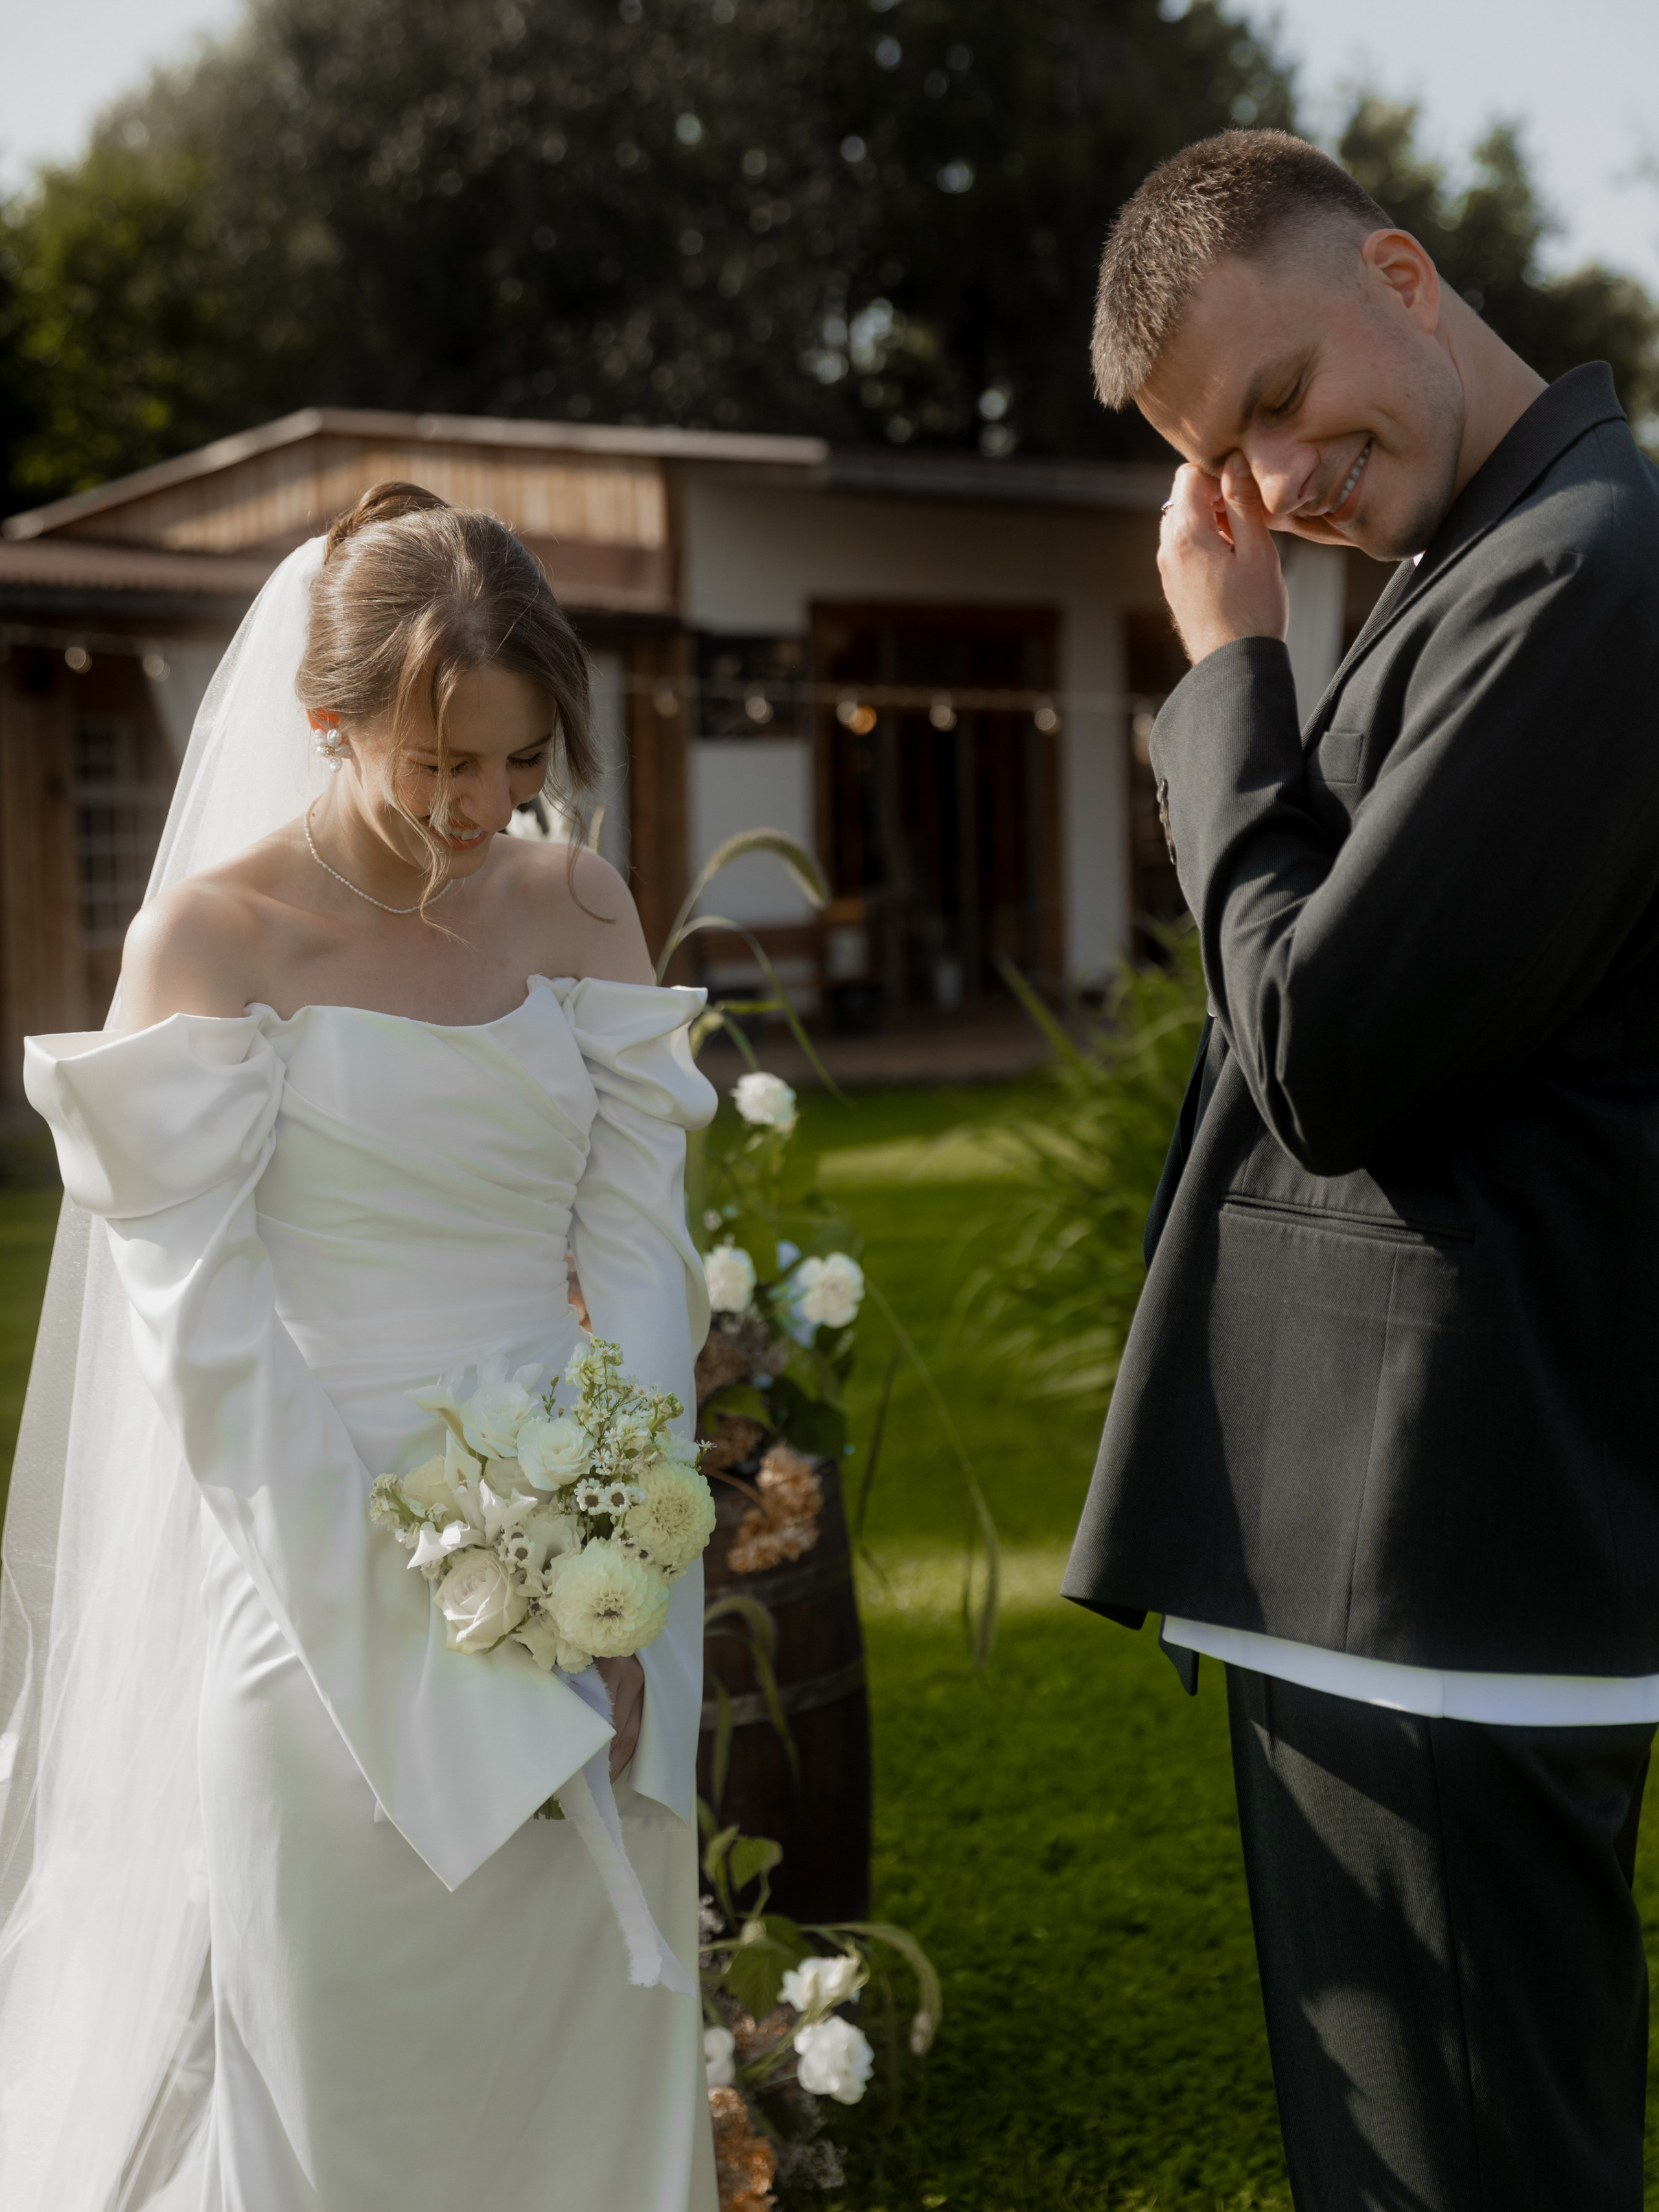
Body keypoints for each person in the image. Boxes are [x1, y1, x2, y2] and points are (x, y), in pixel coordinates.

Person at [0, 483, 719, 2209]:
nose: (482, 813)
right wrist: (413, 1636)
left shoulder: (579, 909)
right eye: (437, 767)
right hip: (317, 1578)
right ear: (329, 724)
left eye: (515, 765)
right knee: (352, 2075)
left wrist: (614, 1575)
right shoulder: (220, 939)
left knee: (587, 2057)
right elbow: (214, 1354)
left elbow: (635, 1260)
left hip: (591, 1552)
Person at [1063, 130, 1659, 2209]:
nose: (1280, 487)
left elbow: (1321, 1042)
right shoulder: (1470, 571)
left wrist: (1230, 674)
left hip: (1455, 1557)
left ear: (1403, 274)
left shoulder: (1593, 570)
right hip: (1377, 1554)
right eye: (1223, 463)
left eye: (1279, 406)